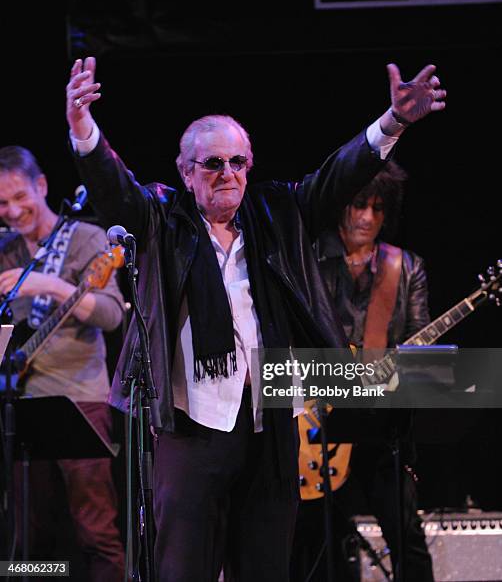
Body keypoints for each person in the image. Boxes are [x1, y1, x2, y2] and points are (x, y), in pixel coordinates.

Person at [65, 55, 445, 581]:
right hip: (190, 424)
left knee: (265, 566)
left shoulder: (277, 214)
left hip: (270, 422)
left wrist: (394, 121)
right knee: (181, 569)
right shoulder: (160, 218)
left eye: (238, 162)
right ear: (185, 170)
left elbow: (339, 175)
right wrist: (83, 128)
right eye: (213, 163)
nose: (228, 174)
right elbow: (113, 187)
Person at [294, 160, 433, 581]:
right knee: (311, 547)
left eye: (377, 208)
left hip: (378, 426)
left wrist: (400, 372)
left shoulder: (405, 268)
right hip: (313, 428)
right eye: (358, 205)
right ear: (341, 206)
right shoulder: (309, 258)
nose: (367, 217)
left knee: (407, 536)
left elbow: (420, 357)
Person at [0, 146, 126, 581]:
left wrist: (50, 286)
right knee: (27, 536)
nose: (13, 211)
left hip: (80, 403)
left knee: (95, 532)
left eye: (20, 197)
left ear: (41, 186)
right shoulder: (6, 249)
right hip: (21, 407)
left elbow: (112, 315)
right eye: (2, 204)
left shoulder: (86, 238)